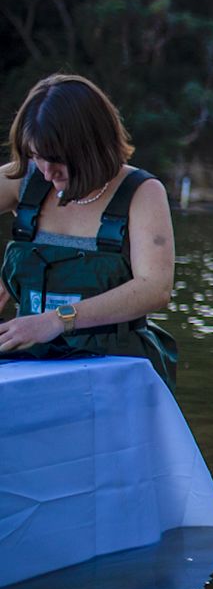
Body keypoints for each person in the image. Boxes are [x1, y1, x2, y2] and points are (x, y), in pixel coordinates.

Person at [0, 74, 179, 388]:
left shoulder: (143, 193)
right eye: (37, 156)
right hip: (27, 367)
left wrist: (57, 320)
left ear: (92, 148)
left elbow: (156, 288)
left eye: (57, 160)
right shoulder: (24, 179)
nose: (45, 171)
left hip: (115, 370)